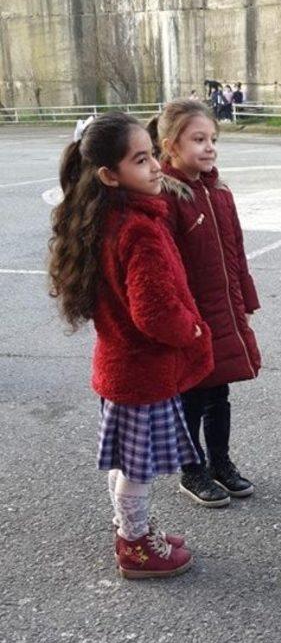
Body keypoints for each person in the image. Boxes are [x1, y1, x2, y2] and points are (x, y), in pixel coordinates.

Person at [47, 112, 214, 579]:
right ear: (109, 175)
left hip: (118, 365)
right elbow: (155, 312)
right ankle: (135, 544)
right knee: (138, 469)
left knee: (126, 461)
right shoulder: (138, 228)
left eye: (152, 155)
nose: (156, 167)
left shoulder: (103, 216)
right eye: (141, 161)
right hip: (143, 372)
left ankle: (132, 528)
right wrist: (192, 330)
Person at [156, 99, 261, 507]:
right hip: (192, 317)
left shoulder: (219, 191)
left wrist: (245, 300)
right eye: (198, 139)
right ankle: (192, 469)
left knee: (220, 394)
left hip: (224, 311)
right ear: (170, 145)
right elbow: (165, 267)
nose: (209, 147)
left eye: (212, 139)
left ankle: (221, 462)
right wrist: (178, 319)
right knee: (191, 397)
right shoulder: (166, 196)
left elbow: (236, 252)